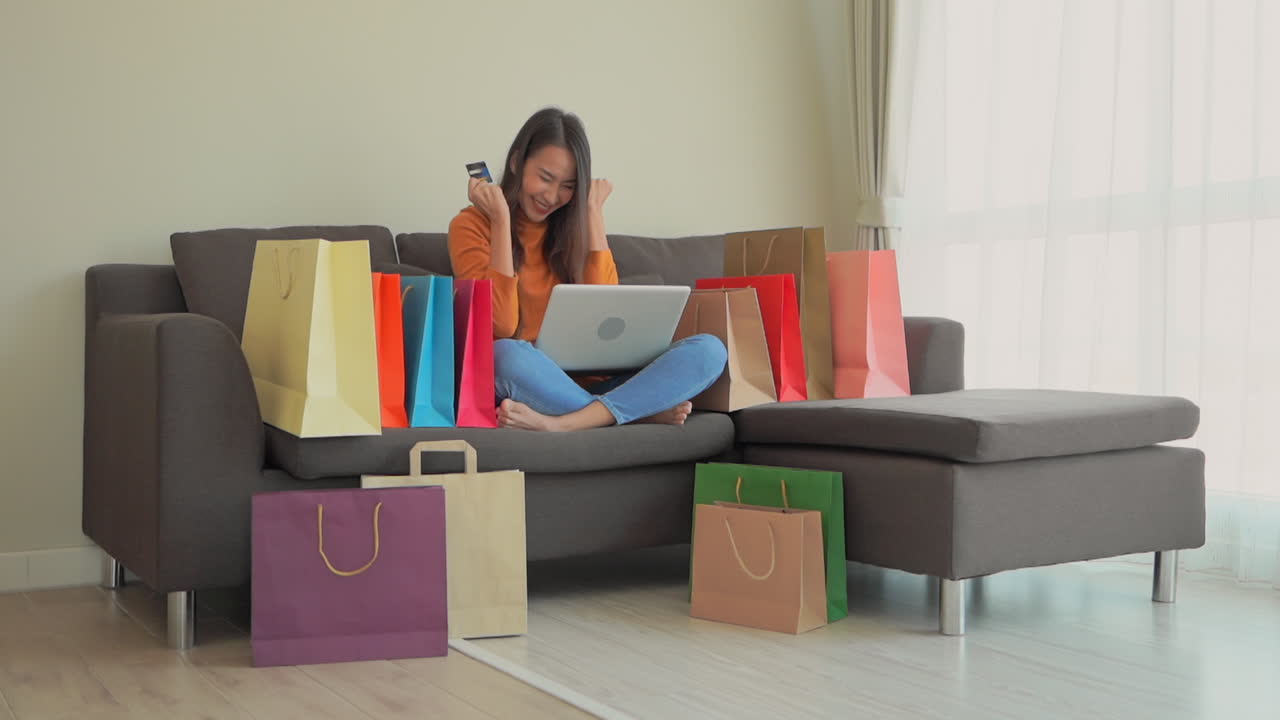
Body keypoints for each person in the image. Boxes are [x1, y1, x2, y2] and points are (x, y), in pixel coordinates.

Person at [448, 107, 727, 432]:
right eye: (545, 178)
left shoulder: (572, 228)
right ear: (516, 163)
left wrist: (592, 213)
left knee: (709, 350)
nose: (552, 197)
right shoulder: (470, 226)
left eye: (568, 186)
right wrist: (500, 221)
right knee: (504, 355)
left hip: (600, 382)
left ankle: (568, 423)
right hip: (532, 381)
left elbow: (608, 323)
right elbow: (502, 324)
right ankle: (636, 413)